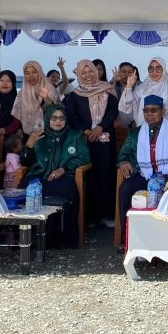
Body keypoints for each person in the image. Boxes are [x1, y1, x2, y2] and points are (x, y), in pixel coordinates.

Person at [116, 95, 168, 243]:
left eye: (154, 110)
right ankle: (128, 238)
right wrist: (124, 161)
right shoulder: (135, 133)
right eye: (146, 111)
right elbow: (125, 152)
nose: (149, 114)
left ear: (163, 111)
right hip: (143, 175)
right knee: (125, 189)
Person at [19, 104, 90, 249]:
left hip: (64, 175)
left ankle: (59, 240)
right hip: (38, 174)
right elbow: (24, 161)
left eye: (61, 118)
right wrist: (29, 146)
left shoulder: (74, 135)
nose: (58, 121)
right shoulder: (38, 135)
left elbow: (85, 157)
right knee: (27, 188)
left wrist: (63, 169)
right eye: (54, 118)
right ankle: (28, 238)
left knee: (63, 188)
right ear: (47, 119)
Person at [64, 59, 119, 228]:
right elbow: (71, 117)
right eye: (83, 73)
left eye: (90, 72)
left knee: (106, 175)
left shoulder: (107, 89)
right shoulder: (74, 94)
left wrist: (100, 127)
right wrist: (86, 131)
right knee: (88, 177)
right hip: (85, 142)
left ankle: (107, 214)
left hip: (105, 140)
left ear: (96, 72)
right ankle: (90, 217)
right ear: (79, 74)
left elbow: (113, 111)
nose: (88, 75)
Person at [119, 57, 168, 128]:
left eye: (158, 68)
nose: (154, 71)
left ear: (164, 69)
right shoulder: (140, 89)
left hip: (166, 131)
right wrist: (129, 86)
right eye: (151, 68)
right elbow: (125, 108)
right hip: (143, 130)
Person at [12, 60, 60, 137]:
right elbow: (18, 114)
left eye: (34, 72)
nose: (31, 76)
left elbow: (54, 112)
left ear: (40, 73)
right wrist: (19, 130)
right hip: (27, 134)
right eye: (27, 73)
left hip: (48, 133)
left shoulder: (49, 89)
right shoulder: (22, 92)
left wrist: (46, 98)